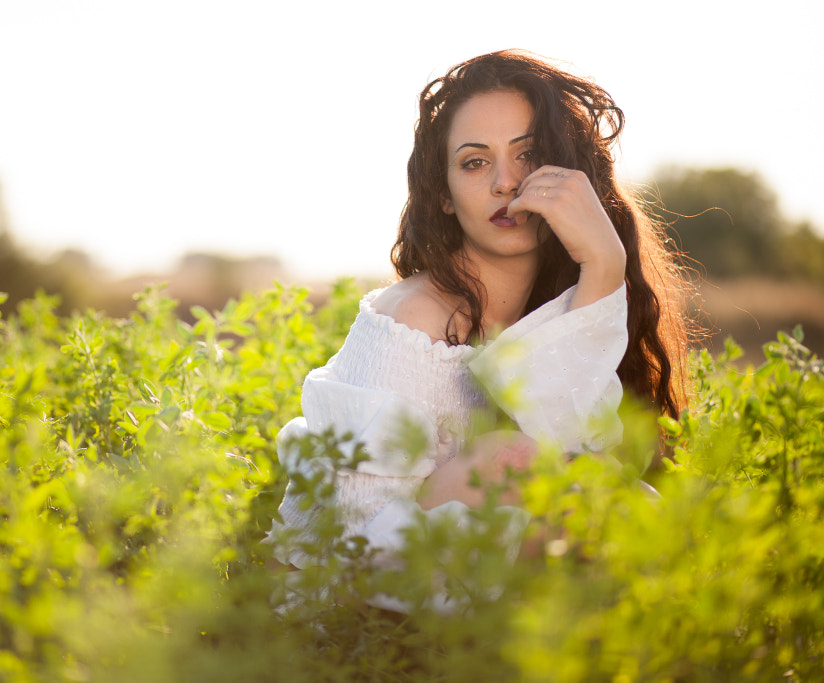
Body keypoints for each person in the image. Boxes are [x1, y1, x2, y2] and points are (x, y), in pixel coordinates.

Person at [266, 50, 692, 601]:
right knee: (514, 460)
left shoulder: (563, 308)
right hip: (345, 597)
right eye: (475, 162)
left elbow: (587, 455)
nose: (506, 183)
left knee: (621, 495)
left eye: (529, 154)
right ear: (443, 194)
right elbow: (343, 531)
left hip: (471, 593)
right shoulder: (414, 320)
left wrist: (604, 265)